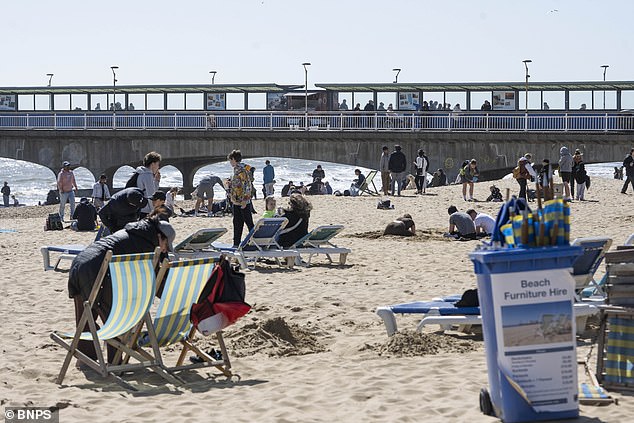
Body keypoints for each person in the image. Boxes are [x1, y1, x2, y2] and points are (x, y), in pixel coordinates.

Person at [67, 217, 175, 363]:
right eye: (165, 245)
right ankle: (115, 361)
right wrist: (172, 298)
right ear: (158, 236)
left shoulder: (137, 232)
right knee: (113, 317)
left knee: (85, 315)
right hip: (96, 268)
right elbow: (155, 281)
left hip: (80, 262)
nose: (164, 250)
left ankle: (87, 357)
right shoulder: (146, 245)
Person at [228, 149, 254, 247]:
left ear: (234, 159)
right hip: (236, 201)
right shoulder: (238, 169)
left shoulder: (241, 170)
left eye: (230, 160)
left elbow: (247, 185)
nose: (230, 162)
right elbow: (239, 184)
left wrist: (245, 199)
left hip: (242, 201)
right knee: (237, 223)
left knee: (248, 223)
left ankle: (256, 242)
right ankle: (236, 244)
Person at [132, 151, 161, 217]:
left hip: (139, 209)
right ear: (153, 164)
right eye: (158, 164)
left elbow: (148, 191)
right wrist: (153, 211)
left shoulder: (141, 173)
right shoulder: (147, 175)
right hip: (145, 211)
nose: (158, 167)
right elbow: (151, 196)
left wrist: (156, 181)